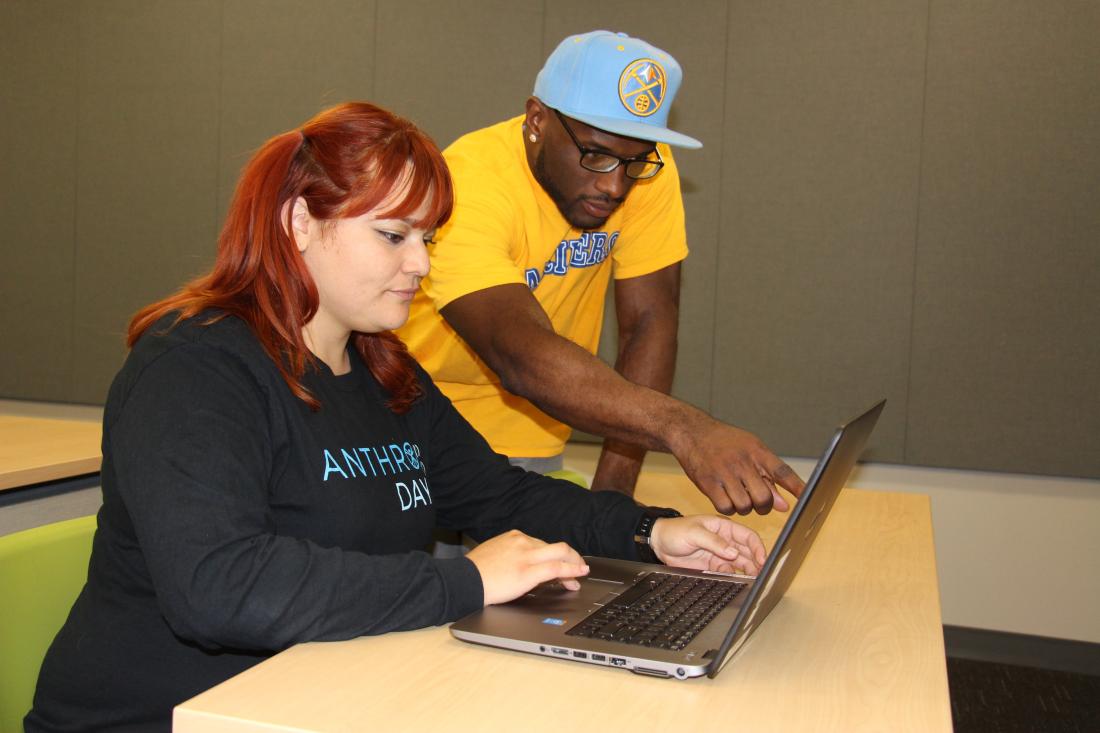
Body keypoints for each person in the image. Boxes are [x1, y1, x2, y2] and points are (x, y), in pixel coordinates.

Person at [25, 102, 768, 732]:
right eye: (393, 235)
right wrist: (464, 583)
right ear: (299, 224)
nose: (421, 264)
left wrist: (650, 532)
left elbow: (499, 495)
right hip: (169, 715)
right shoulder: (193, 369)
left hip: (324, 698)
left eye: (428, 239)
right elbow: (221, 585)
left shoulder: (383, 367)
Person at [396, 31, 804, 516]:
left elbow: (650, 321)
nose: (613, 185)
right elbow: (516, 351)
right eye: (594, 154)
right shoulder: (468, 185)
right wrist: (683, 427)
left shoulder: (644, 167)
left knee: (540, 585)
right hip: (412, 414)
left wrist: (612, 500)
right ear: (537, 120)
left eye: (632, 161)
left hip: (535, 419)